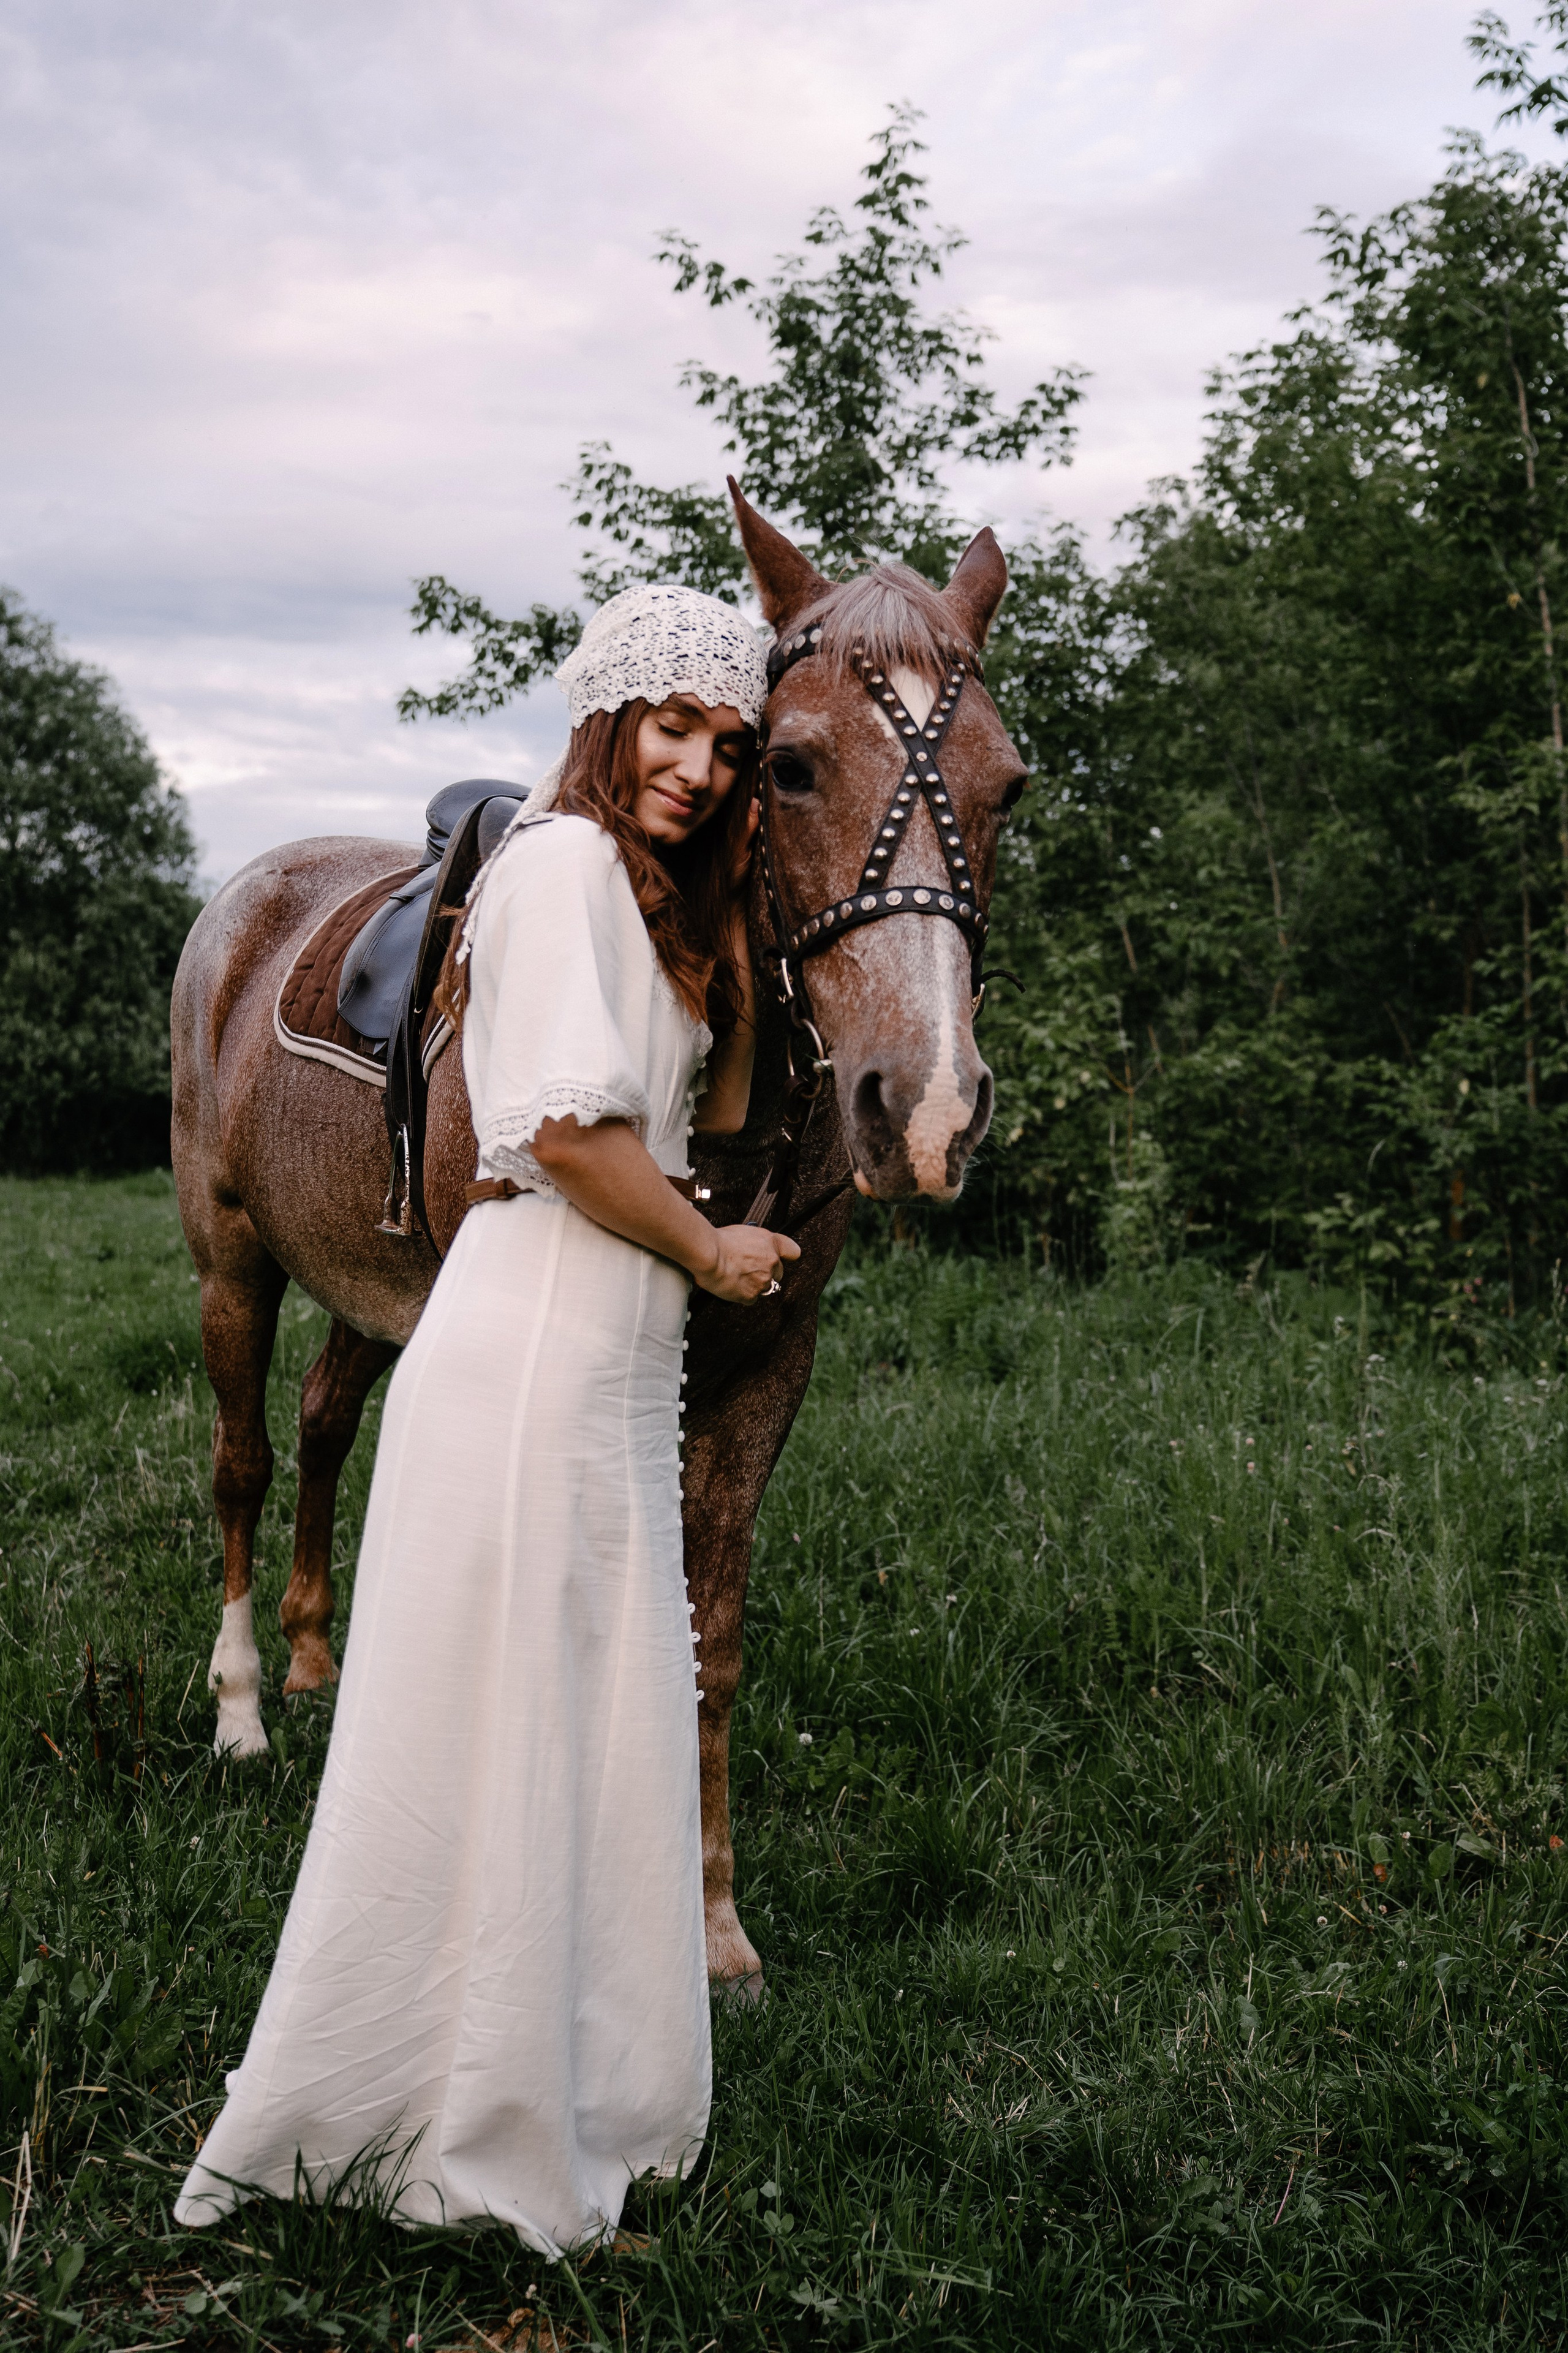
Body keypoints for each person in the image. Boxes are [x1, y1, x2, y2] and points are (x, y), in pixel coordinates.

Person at [175, 584, 799, 2256]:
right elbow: (581, 1140)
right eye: (674, 729)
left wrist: (731, 923)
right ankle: (454, 2113)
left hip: (614, 1360)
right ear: (611, 720)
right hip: (532, 1337)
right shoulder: (556, 867)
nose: (699, 766)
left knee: (593, 1717)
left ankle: (571, 2083)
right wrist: (714, 1247)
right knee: (514, 1717)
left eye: (730, 748)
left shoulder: (660, 897)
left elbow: (714, 1111)